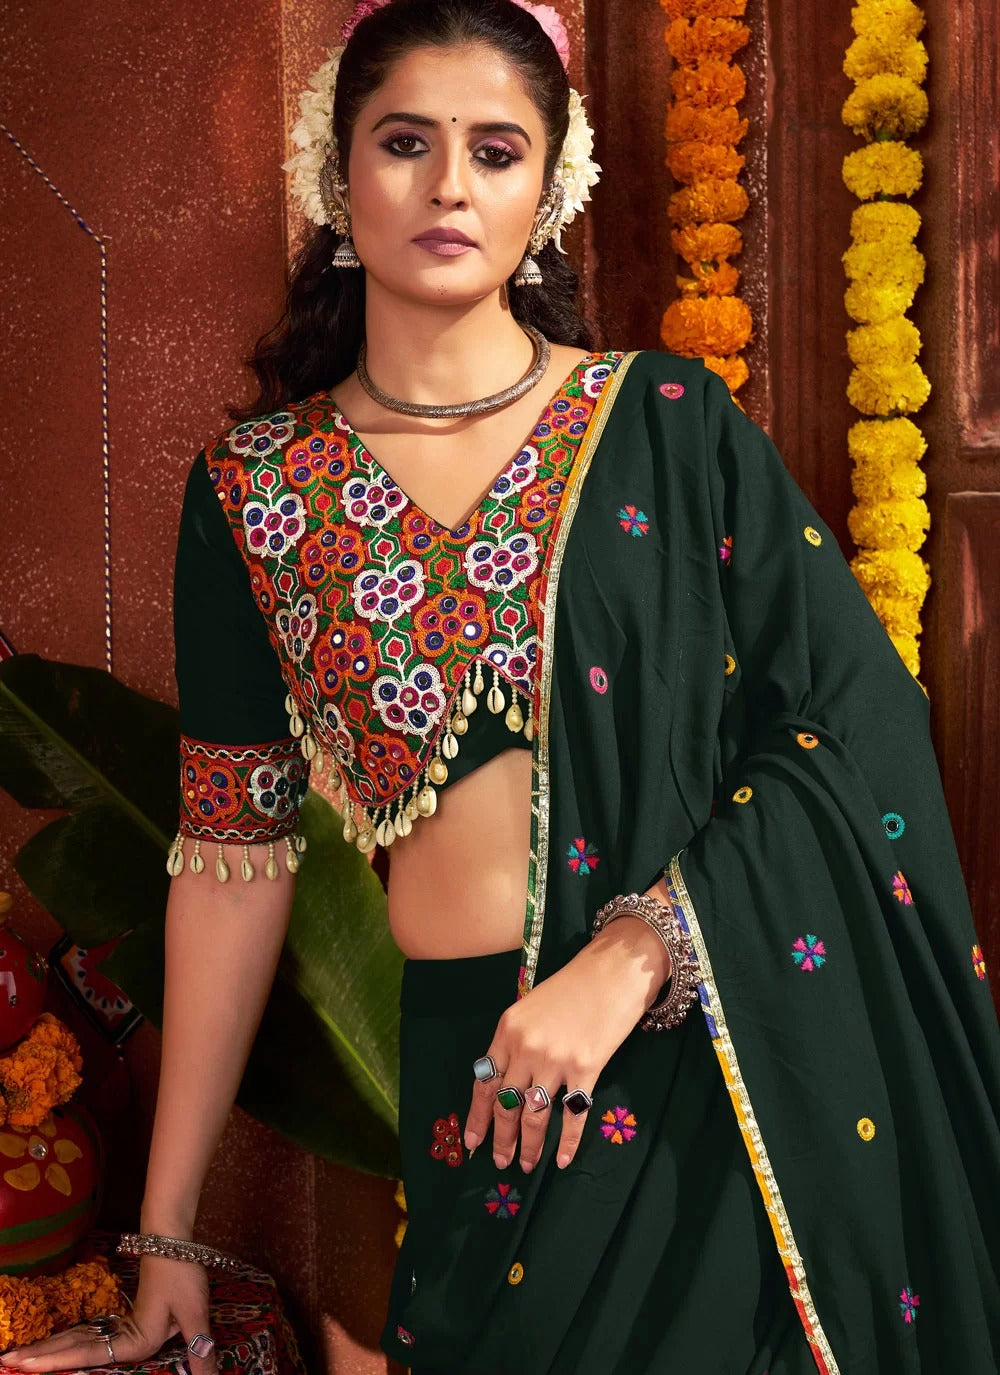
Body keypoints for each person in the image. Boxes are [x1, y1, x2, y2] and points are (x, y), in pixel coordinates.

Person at [6, 1, 1000, 1371]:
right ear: (334, 171)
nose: (450, 186)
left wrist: (637, 957)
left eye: (495, 149)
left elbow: (850, 722)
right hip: (475, 1095)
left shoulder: (667, 428)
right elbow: (233, 858)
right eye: (405, 141)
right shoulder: (256, 492)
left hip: (701, 1059)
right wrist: (167, 1231)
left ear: (550, 187)